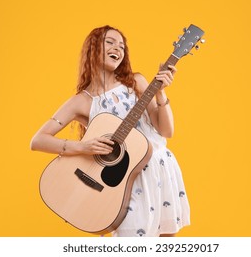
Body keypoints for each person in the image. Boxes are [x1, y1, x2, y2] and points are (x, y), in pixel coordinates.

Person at [30, 25, 190, 237]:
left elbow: (166, 131)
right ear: (93, 48)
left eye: (122, 46)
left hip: (159, 169)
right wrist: (82, 146)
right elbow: (38, 140)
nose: (118, 48)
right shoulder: (82, 101)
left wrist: (160, 95)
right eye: (110, 42)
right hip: (120, 182)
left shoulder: (137, 82)